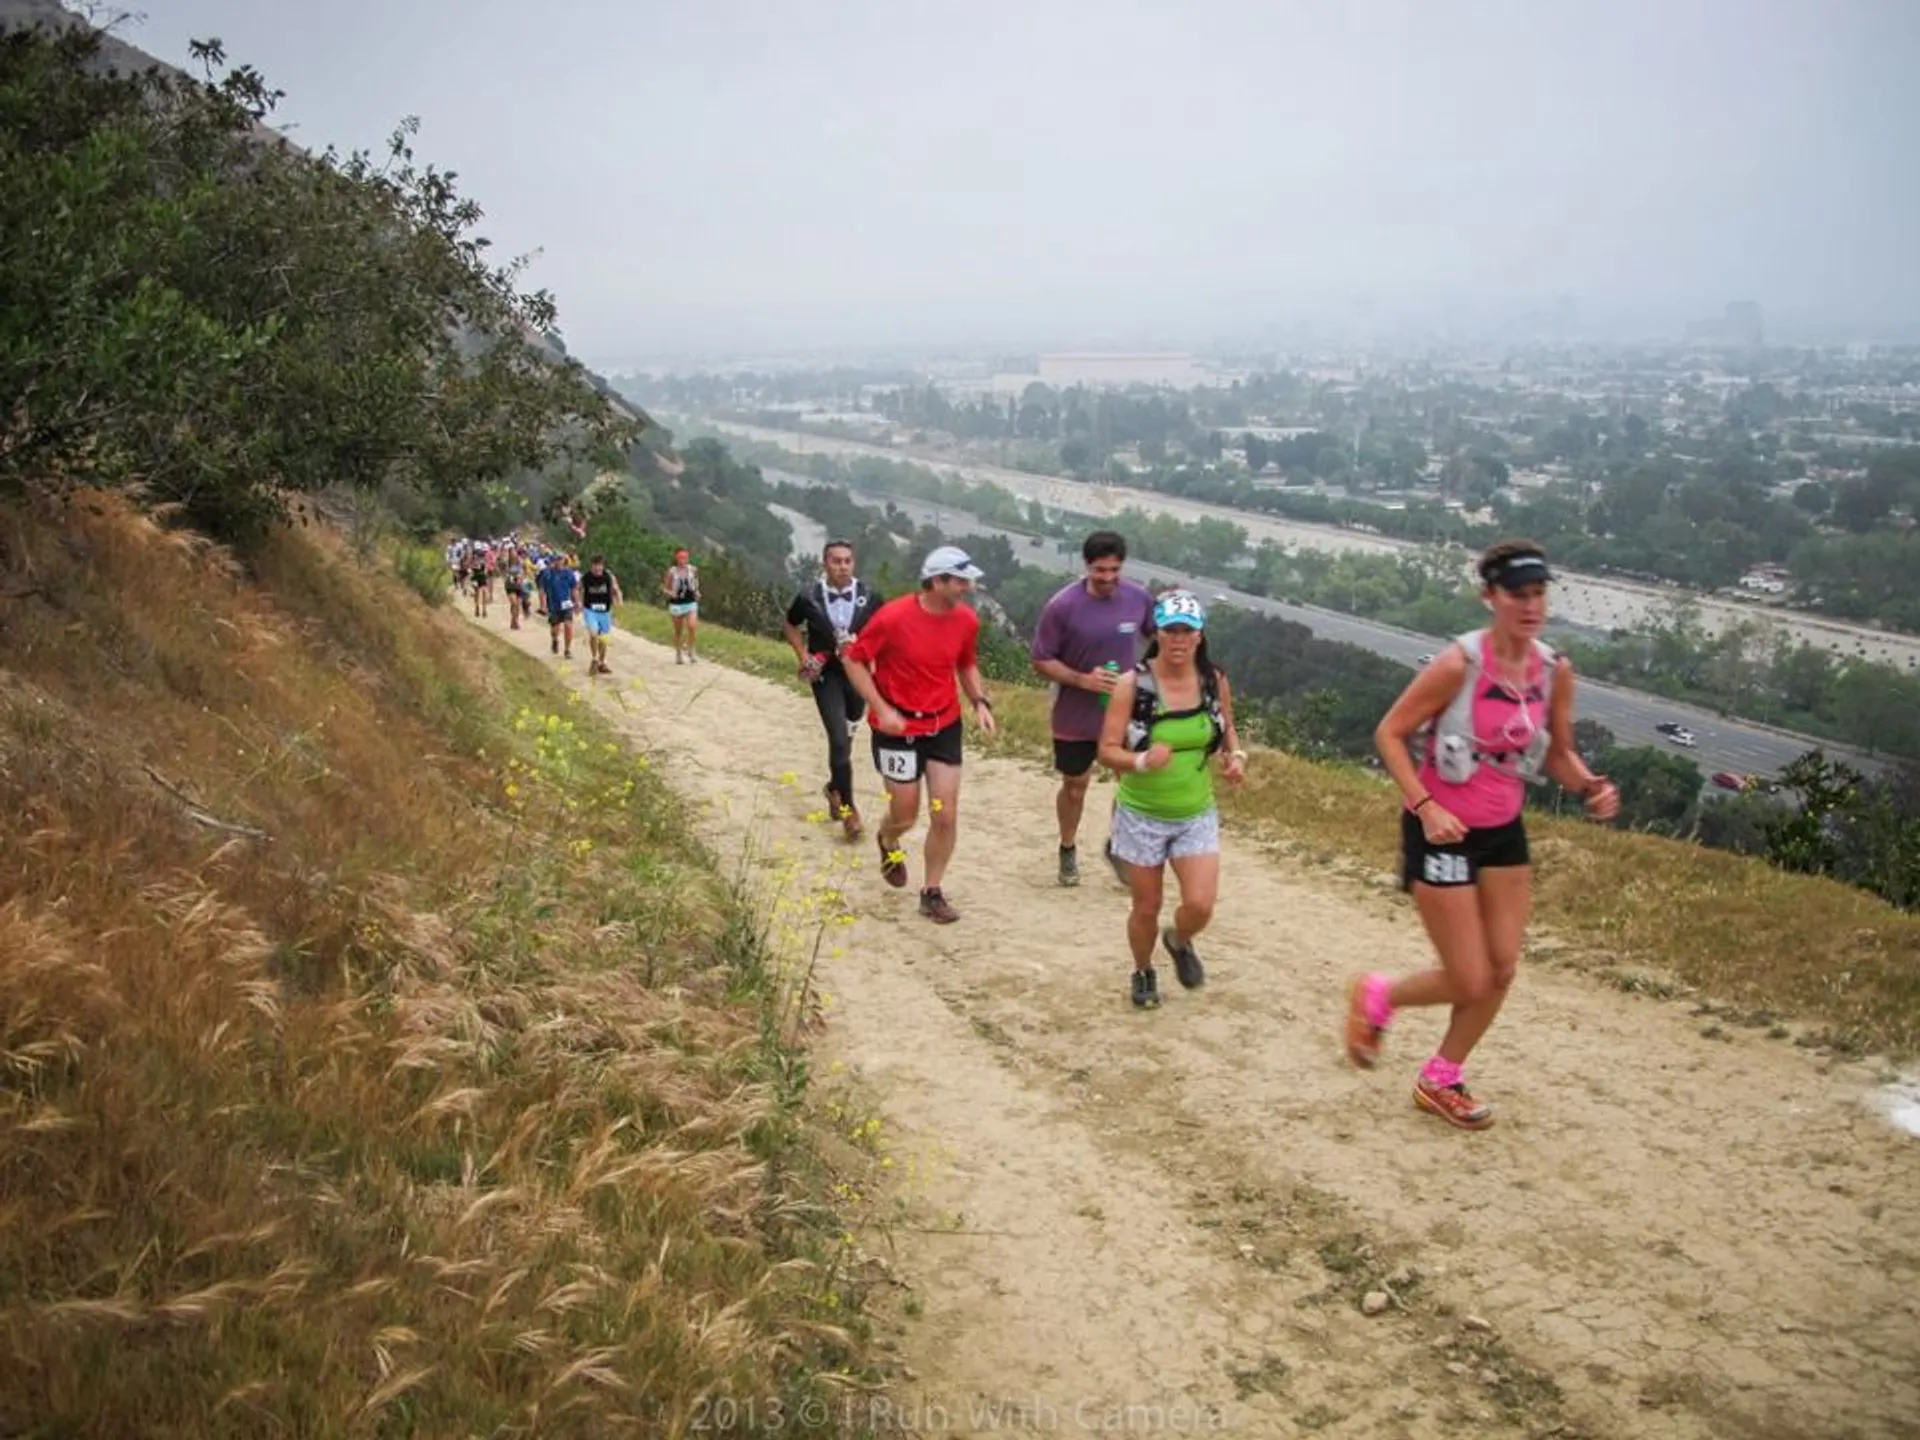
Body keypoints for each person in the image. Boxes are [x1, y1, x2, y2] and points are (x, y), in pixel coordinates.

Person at [1343, 539, 1621, 1130]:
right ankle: (1378, 996)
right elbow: (1389, 734)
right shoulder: (1458, 665)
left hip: (1503, 832)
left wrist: (1590, 787)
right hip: (1440, 830)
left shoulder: (1554, 670)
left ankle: (1442, 1077)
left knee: (1500, 969)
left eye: (1539, 593)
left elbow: (1558, 754)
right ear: (1489, 597)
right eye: (1517, 595)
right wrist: (1423, 806)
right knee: (1466, 976)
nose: (1530, 606)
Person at [1095, 591, 1246, 1010]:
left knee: (1199, 904)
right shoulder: (1133, 686)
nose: (1178, 640)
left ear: (1199, 636)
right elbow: (1107, 750)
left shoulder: (1214, 681)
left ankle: (1179, 940)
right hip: (1142, 814)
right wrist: (1142, 760)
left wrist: (1235, 757)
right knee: (1146, 906)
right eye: (1170, 631)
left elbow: (1226, 726)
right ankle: (1143, 970)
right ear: (1156, 633)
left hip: (1195, 811)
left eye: (1187, 631)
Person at [840, 546, 996, 925]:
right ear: (937, 581)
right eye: (959, 581)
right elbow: (853, 660)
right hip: (898, 730)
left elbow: (966, 662)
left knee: (945, 813)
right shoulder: (893, 617)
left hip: (943, 723)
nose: (966, 587)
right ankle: (888, 840)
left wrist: (979, 700)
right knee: (905, 814)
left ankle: (932, 891)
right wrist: (880, 707)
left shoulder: (966, 621)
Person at [1030, 530, 1155, 886]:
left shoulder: (1138, 598)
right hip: (1075, 714)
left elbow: (1158, 639)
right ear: (1086, 566)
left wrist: (1145, 680)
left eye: (1115, 569)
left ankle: (1120, 847)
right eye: (1100, 570)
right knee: (1075, 785)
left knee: (1132, 784)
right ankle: (1067, 847)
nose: (1108, 578)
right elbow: (1041, 660)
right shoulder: (1062, 606)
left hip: (1125, 713)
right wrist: (1083, 680)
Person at [783, 540, 885, 841]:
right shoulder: (809, 596)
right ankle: (850, 812)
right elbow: (790, 624)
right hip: (826, 675)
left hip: (858, 676)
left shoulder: (870, 595)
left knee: (847, 738)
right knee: (838, 739)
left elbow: (884, 629)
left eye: (847, 561)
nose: (842, 566)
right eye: (836, 561)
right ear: (824, 564)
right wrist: (803, 655)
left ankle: (834, 789)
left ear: (853, 564)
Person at [579, 554, 624, 674]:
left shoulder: (608, 576)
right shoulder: (586, 577)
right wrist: (579, 603)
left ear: (602, 565)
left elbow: (616, 589)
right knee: (593, 634)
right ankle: (594, 658)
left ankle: (602, 662)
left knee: (604, 638)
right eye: (595, 566)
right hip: (590, 610)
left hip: (605, 611)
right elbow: (579, 589)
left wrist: (619, 599)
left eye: (599, 565)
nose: (597, 568)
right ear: (591, 566)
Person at [661, 549, 700, 663]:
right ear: (676, 558)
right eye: (680, 558)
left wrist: (697, 592)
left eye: (685, 557)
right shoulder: (672, 572)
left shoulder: (692, 569)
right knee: (679, 631)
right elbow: (664, 588)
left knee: (692, 626)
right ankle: (678, 653)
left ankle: (691, 650)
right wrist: (670, 593)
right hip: (677, 603)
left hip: (690, 601)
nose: (683, 560)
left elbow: (696, 582)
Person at [538, 552, 580, 660]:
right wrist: (542, 605)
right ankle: (555, 640)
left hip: (566, 604)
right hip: (553, 605)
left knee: (568, 625)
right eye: (556, 560)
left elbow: (574, 588)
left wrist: (577, 602)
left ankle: (567, 650)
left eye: (560, 559)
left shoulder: (568, 573)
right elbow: (542, 590)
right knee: (555, 630)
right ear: (553, 561)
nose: (559, 562)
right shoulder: (547, 574)